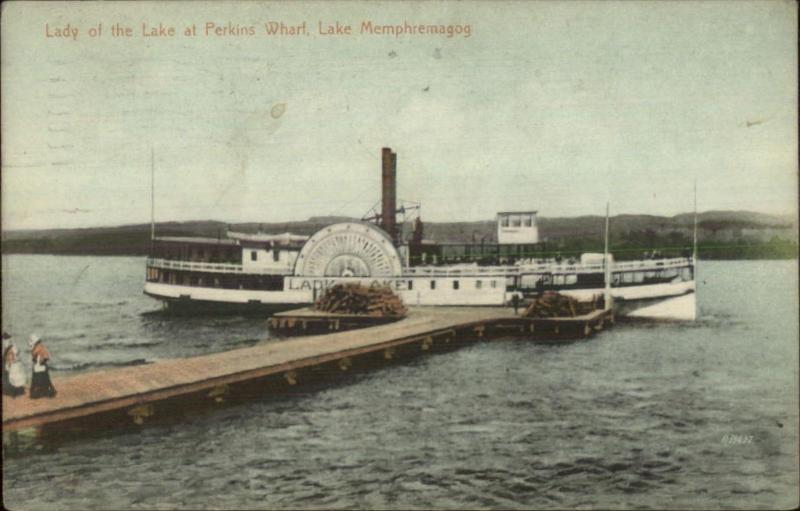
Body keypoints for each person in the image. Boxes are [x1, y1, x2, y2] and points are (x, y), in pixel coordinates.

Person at [28, 334, 57, 399]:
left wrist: (40, 360)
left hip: (40, 366)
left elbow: (35, 356)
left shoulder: (38, 348)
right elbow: (47, 356)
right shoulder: (41, 347)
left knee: (37, 380)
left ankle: (39, 391)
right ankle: (48, 390)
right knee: (46, 379)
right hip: (42, 365)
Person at [3, 333, 26, 397]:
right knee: (16, 378)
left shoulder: (9, 346)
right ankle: (20, 391)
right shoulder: (12, 345)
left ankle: (17, 392)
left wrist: (9, 364)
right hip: (16, 363)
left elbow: (11, 356)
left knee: (14, 378)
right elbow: (17, 353)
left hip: (14, 364)